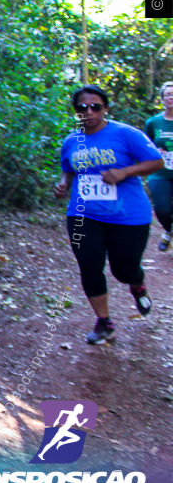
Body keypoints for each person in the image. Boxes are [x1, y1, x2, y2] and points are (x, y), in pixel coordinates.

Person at [53, 85, 163, 344]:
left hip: (128, 215)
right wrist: (63, 183)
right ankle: (104, 323)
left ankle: (137, 283)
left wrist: (124, 173)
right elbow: (68, 169)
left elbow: (156, 161)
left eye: (95, 107)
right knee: (89, 266)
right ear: (75, 111)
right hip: (83, 214)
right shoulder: (71, 141)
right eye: (82, 107)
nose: (88, 112)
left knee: (123, 270)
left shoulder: (125, 134)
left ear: (105, 109)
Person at [144, 81, 173, 251]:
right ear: (162, 99)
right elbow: (144, 145)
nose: (171, 97)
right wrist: (155, 150)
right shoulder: (153, 122)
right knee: (162, 209)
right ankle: (168, 231)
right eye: (168, 94)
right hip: (160, 172)